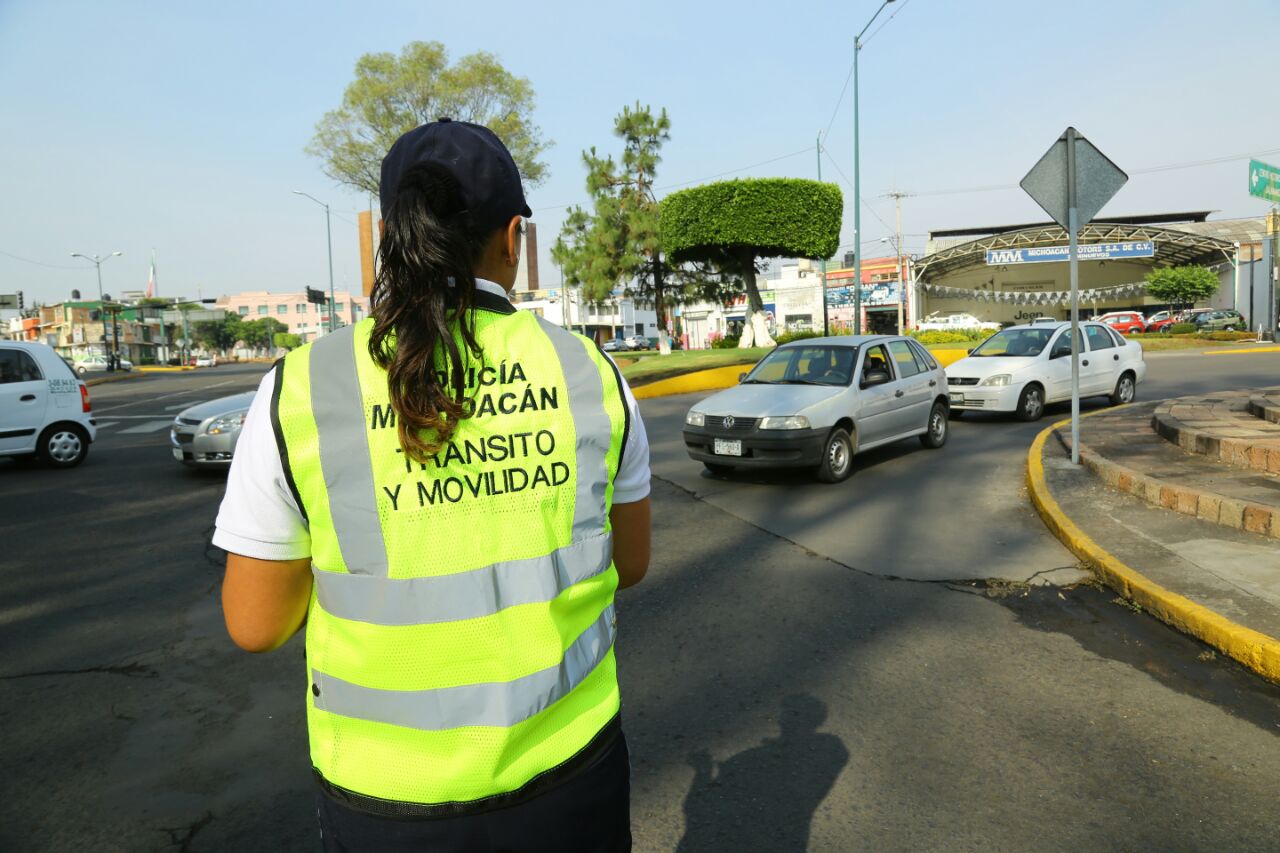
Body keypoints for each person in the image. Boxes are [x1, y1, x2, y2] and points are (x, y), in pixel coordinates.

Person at [215, 118, 651, 852]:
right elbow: (629, 563)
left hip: (388, 803)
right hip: (570, 777)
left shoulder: (302, 386)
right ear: (512, 237)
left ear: (391, 234)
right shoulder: (588, 372)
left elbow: (255, 625)